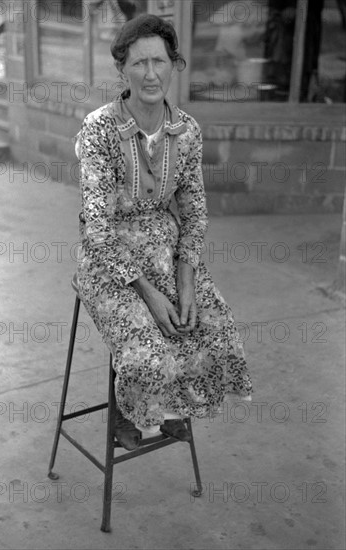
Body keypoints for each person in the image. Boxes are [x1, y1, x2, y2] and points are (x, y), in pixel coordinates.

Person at [75, 14, 253, 450]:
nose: (150, 74)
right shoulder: (99, 129)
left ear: (175, 64)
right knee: (147, 350)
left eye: (160, 61)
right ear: (122, 70)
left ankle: (177, 406)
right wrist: (150, 295)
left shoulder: (186, 131)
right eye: (138, 63)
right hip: (109, 260)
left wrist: (186, 278)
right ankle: (130, 417)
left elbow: (194, 212)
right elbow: (97, 227)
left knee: (215, 328)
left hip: (166, 252)